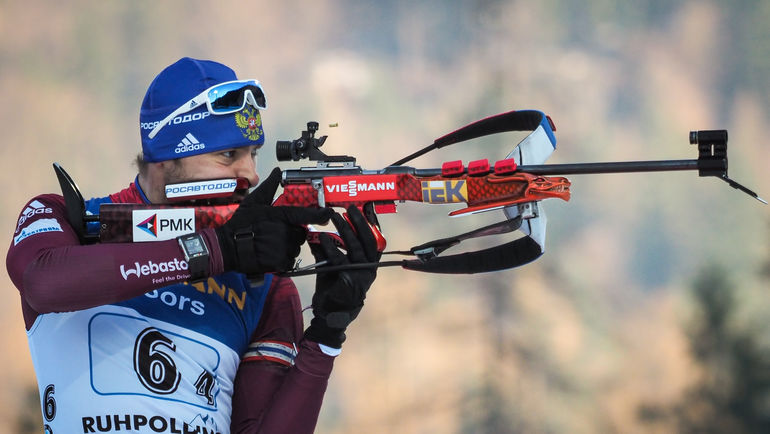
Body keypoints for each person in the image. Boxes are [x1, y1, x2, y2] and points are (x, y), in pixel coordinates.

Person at [6, 57, 381, 434]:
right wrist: (216, 250)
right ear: (167, 160)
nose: (250, 173)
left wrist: (327, 335)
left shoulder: (266, 287)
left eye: (253, 154)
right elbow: (44, 284)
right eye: (228, 155)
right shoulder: (62, 219)